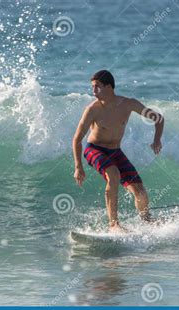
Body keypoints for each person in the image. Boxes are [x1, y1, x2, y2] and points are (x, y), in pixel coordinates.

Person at [72, 70, 164, 233]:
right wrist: (78, 166)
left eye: (97, 87)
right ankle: (113, 224)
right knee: (113, 174)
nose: (93, 91)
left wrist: (157, 139)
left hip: (115, 151)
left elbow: (158, 119)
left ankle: (147, 219)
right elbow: (77, 139)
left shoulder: (128, 104)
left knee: (140, 191)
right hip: (95, 149)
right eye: (92, 87)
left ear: (109, 87)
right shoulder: (92, 109)